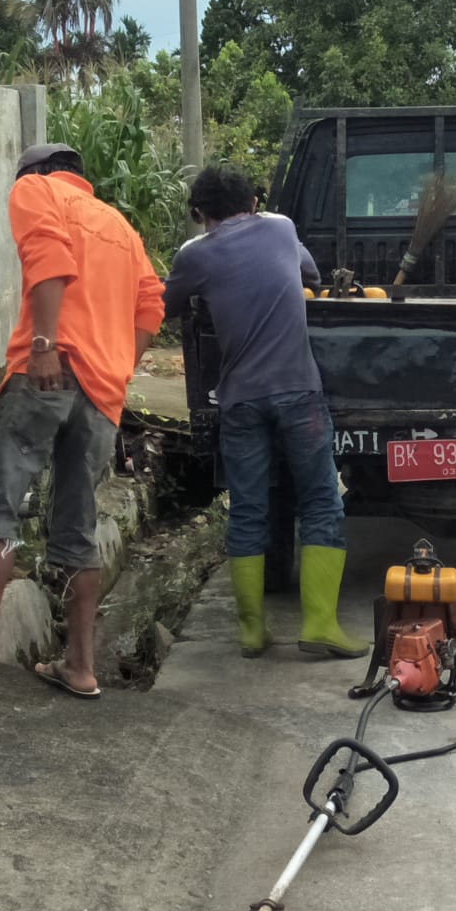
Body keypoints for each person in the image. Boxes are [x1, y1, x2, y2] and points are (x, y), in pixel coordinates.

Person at [0, 143, 164, 708]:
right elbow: (151, 309)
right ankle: (81, 665)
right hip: (102, 393)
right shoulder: (120, 226)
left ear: (36, 173)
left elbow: (50, 260)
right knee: (78, 523)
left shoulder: (34, 190)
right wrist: (116, 367)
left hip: (46, 371)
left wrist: (44, 345)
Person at [162, 165, 368, 659]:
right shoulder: (281, 228)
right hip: (299, 393)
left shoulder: (195, 254)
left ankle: (252, 631)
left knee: (249, 508)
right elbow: (312, 276)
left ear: (197, 213)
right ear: (254, 201)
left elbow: (167, 305)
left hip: (239, 400)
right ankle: (320, 624)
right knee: (321, 501)